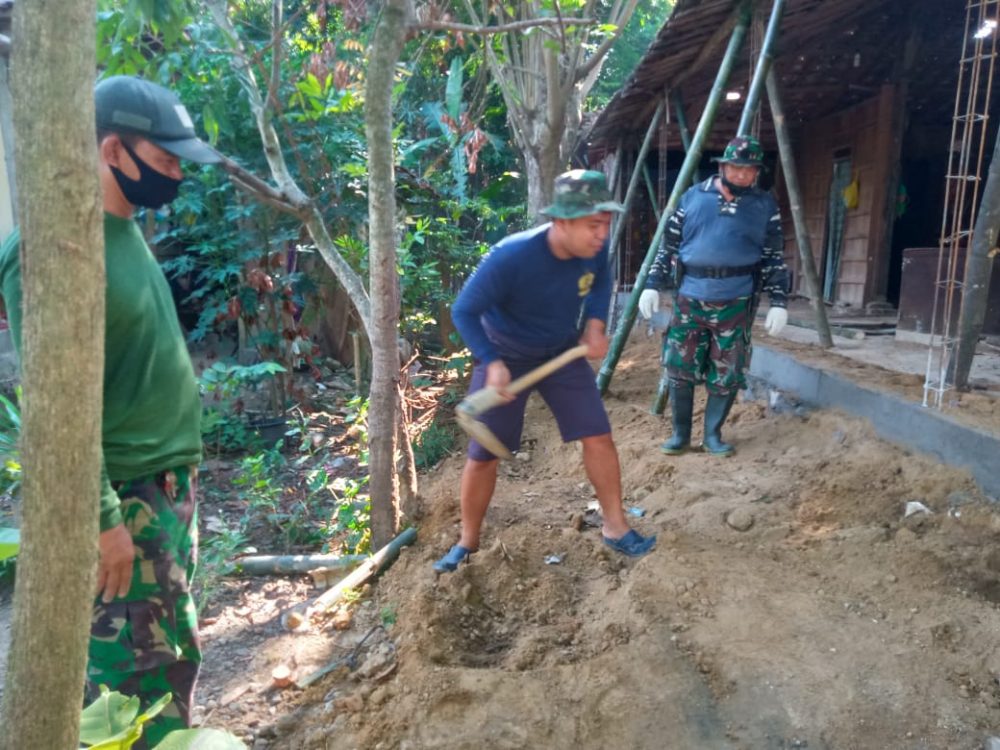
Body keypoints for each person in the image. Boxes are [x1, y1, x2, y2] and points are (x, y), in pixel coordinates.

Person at [0, 75, 220, 747]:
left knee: (172, 665)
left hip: (164, 496)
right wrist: (101, 521)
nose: (178, 173)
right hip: (125, 502)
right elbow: (51, 400)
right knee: (129, 691)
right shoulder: (58, 249)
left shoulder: (121, 229)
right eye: (166, 158)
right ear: (110, 150)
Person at [433, 169, 656, 573]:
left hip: (560, 352)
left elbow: (602, 283)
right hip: (505, 353)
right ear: (561, 221)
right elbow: (463, 310)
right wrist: (492, 360)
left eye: (605, 224)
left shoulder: (593, 249)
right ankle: (467, 542)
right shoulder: (511, 256)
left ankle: (615, 526)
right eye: (592, 224)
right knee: (484, 454)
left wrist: (595, 325)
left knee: (598, 435)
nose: (601, 234)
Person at [637, 134, 790, 457]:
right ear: (723, 167)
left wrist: (779, 302)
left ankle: (712, 436)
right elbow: (668, 248)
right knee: (679, 367)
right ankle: (680, 435)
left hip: (736, 302)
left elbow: (774, 257)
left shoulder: (764, 206)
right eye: (736, 168)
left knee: (728, 370)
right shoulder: (693, 198)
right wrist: (652, 283)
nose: (742, 175)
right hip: (690, 297)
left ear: (756, 173)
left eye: (749, 170)